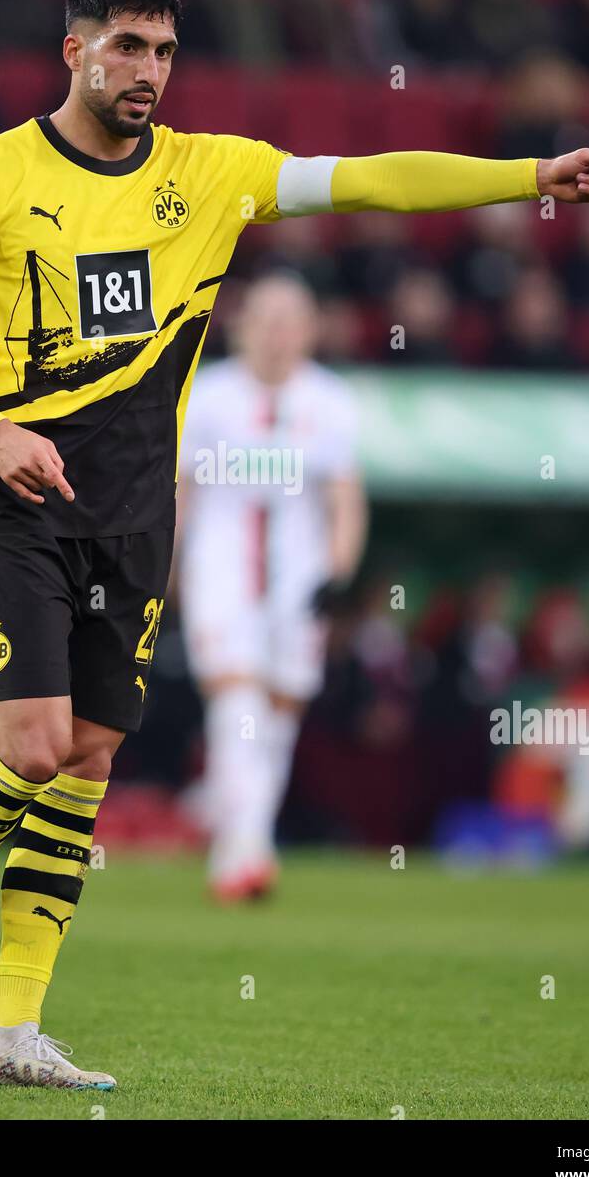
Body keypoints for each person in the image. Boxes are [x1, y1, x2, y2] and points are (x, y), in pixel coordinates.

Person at [0, 0, 589, 1092]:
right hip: (19, 499)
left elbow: (375, 182)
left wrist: (529, 173)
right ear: (73, 50)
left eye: (166, 50)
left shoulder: (215, 173)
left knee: (84, 764)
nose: (148, 71)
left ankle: (12, 1030)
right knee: (30, 747)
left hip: (134, 519)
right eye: (127, 46)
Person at [177, 272, 367, 900]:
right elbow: (181, 493)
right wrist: (165, 566)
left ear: (311, 329)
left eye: (291, 319)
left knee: (280, 716)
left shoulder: (332, 401)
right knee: (236, 702)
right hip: (221, 569)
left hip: (299, 579)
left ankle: (235, 843)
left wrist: (339, 574)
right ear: (241, 326)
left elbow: (344, 497)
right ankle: (250, 849)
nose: (278, 333)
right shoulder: (206, 396)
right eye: (266, 318)